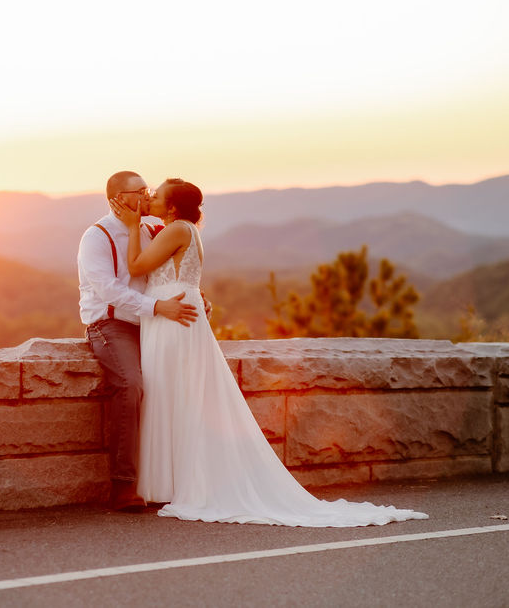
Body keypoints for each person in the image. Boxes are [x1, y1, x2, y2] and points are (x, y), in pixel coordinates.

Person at [110, 178, 428, 526]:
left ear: (172, 208)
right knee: (174, 394)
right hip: (173, 312)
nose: (150, 197)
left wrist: (130, 227)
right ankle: (173, 481)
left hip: (174, 317)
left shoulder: (177, 230)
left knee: (176, 394)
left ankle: (184, 482)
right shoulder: (179, 229)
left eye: (157, 195)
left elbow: (137, 267)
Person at [78, 171, 199, 511]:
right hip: (111, 325)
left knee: (172, 386)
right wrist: (158, 306)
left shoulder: (148, 231)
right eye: (140, 191)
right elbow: (109, 291)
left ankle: (176, 477)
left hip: (151, 323)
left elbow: (166, 273)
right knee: (130, 384)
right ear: (118, 198)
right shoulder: (96, 236)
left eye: (149, 191)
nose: (147, 197)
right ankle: (123, 486)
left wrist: (192, 296)